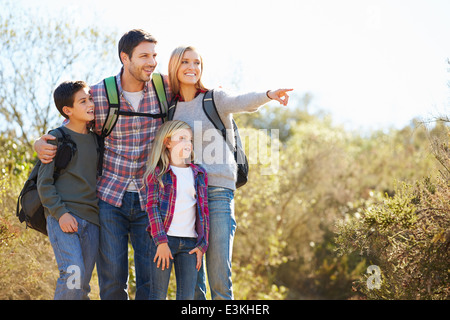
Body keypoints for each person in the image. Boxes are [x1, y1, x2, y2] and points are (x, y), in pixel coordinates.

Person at [34, 29, 171, 300]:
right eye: (144, 56)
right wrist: (40, 142)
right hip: (109, 201)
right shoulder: (98, 93)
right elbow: (71, 121)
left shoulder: (164, 88)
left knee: (152, 286)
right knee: (111, 284)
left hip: (151, 199)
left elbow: (195, 87)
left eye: (154, 55)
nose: (151, 62)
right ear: (125, 57)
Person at [168, 45, 293, 300]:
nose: (192, 67)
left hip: (216, 192)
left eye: (197, 63)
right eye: (185, 62)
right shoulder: (169, 108)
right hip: (186, 196)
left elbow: (242, 101)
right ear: (174, 67)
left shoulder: (215, 97)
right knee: (192, 283)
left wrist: (269, 94)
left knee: (218, 277)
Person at [37, 81, 99, 300]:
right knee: (73, 274)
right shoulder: (55, 137)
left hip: (92, 222)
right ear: (67, 110)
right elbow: (44, 183)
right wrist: (60, 213)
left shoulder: (97, 140)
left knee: (81, 286)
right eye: (83, 101)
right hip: (63, 216)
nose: (91, 104)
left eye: (90, 98)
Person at [144, 120, 209, 300]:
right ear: (167, 142)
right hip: (164, 241)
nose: (187, 143)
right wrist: (161, 241)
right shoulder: (157, 174)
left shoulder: (199, 174)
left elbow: (204, 212)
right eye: (182, 138)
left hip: (190, 244)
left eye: (189, 139)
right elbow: (152, 208)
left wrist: (202, 245)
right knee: (158, 294)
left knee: (187, 297)